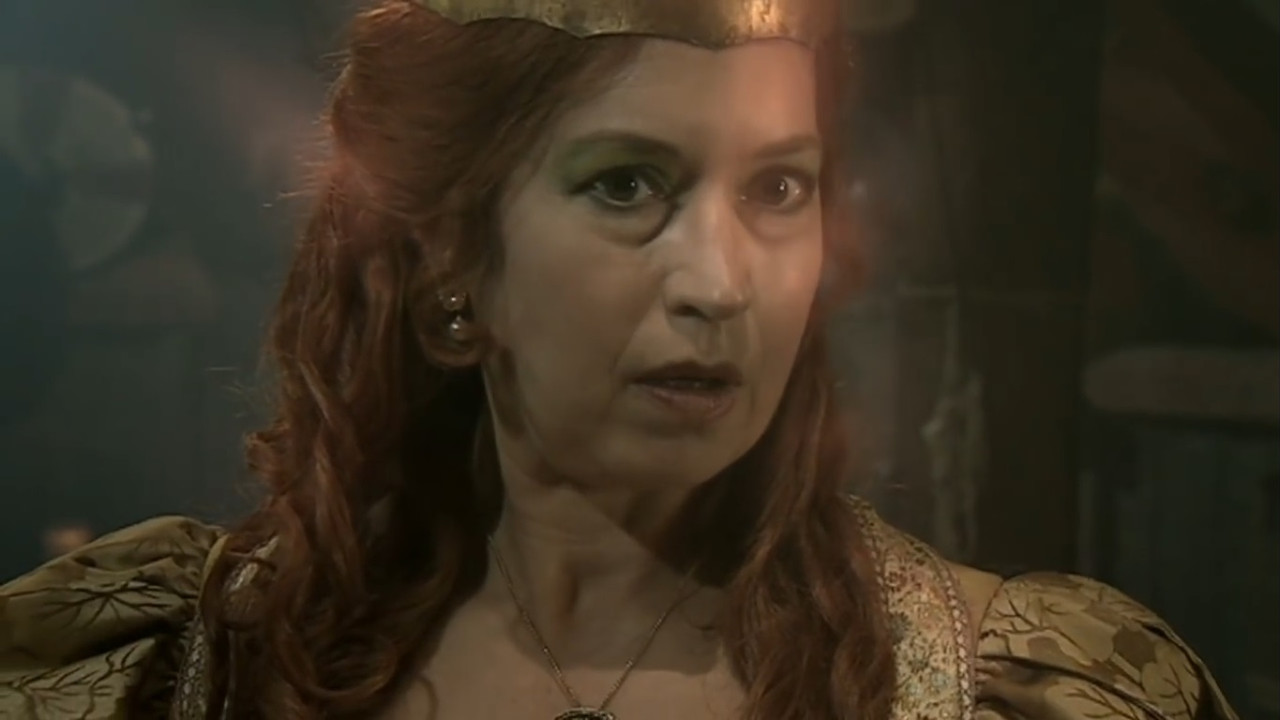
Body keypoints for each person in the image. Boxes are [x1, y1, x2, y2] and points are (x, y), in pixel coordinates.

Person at [0, 1, 1239, 718]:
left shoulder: (1003, 686)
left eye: (778, 188)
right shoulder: (178, 668)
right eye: (627, 185)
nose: (720, 283)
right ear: (452, 259)